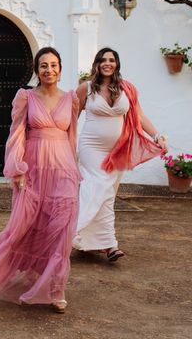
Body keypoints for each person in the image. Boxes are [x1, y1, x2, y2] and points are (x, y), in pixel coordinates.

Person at [0, 47, 79, 313]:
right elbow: (16, 133)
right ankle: (32, 273)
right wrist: (18, 168)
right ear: (36, 70)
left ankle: (56, 287)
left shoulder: (71, 99)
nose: (49, 70)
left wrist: (74, 169)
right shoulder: (26, 97)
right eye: (43, 65)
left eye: (54, 65)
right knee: (31, 223)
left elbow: (72, 137)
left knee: (62, 224)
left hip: (63, 168)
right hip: (33, 166)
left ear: (60, 68)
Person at [73, 48, 166, 262]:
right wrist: (64, 145)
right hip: (91, 148)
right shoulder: (85, 88)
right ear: (96, 63)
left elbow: (139, 115)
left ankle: (87, 242)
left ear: (117, 63)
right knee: (99, 188)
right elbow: (72, 118)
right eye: (103, 60)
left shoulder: (127, 89)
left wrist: (157, 135)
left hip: (118, 149)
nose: (107, 63)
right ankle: (109, 244)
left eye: (111, 60)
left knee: (107, 194)